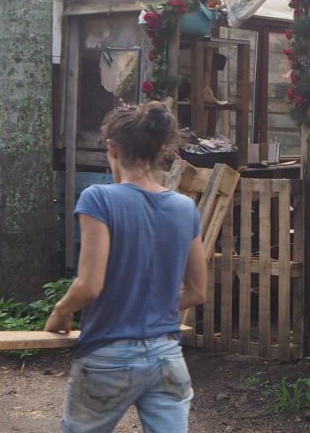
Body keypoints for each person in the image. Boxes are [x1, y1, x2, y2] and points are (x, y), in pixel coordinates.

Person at [44, 102, 207, 433]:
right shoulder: (184, 208)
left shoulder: (99, 199)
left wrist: (61, 311)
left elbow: (90, 286)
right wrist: (152, 308)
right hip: (167, 358)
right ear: (162, 149)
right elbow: (197, 291)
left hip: (107, 358)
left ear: (111, 149)